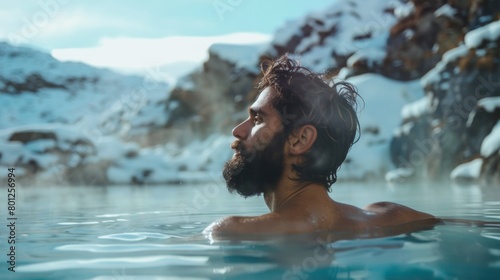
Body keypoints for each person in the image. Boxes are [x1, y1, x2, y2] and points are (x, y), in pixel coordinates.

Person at [203, 55, 435, 237]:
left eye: (257, 120)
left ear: (300, 139)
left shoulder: (233, 233)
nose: (238, 131)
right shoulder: (392, 217)